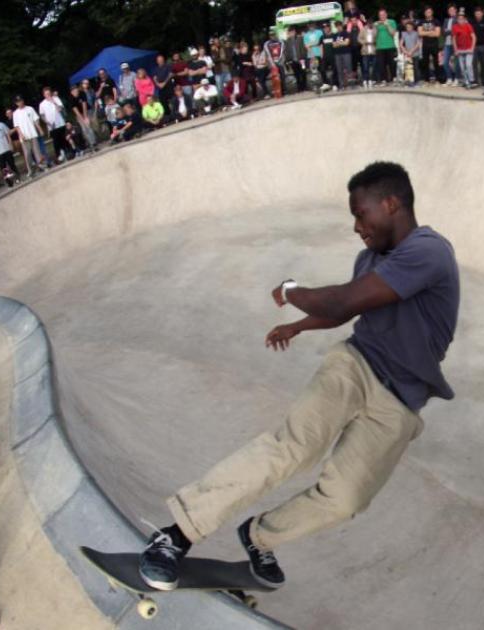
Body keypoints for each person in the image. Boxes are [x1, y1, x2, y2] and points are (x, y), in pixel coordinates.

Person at [135, 162, 459, 594]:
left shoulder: (429, 250)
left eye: (361, 214)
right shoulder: (371, 259)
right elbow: (354, 308)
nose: (357, 227)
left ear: (392, 203)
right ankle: (177, 534)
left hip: (402, 402)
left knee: (346, 499)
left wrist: (289, 290)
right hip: (356, 367)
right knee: (293, 448)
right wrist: (298, 326)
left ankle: (258, 536)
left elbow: (344, 301)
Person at [11, 96, 49, 176]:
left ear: (23, 101)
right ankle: (31, 170)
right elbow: (17, 126)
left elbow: (35, 121)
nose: (20, 103)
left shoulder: (30, 109)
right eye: (18, 102)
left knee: (37, 152)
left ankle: (42, 165)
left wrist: (40, 130)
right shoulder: (15, 113)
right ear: (16, 103)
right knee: (27, 154)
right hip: (24, 136)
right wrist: (21, 135)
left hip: (33, 133)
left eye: (21, 101)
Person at [451, 11, 476, 89]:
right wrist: (455, 50)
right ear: (457, 20)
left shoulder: (468, 26)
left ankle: (472, 80)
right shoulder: (455, 27)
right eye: (459, 19)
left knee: (468, 65)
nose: (460, 21)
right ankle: (466, 81)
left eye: (462, 19)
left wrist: (472, 48)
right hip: (460, 49)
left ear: (465, 19)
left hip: (469, 48)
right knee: (462, 67)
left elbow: (474, 37)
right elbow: (454, 39)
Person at [418, 7, 442, 84]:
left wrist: (425, 32)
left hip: (434, 44)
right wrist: (431, 32)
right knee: (425, 62)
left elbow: (437, 34)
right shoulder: (421, 22)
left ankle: (438, 79)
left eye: (429, 12)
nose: (428, 13)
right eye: (427, 12)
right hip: (425, 45)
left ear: (432, 12)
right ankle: (427, 80)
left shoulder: (436, 21)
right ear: (425, 13)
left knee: (436, 62)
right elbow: (420, 33)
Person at [375, 10, 399, 84]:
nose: (382, 16)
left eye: (383, 14)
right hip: (379, 47)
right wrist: (375, 27)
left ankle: (393, 78)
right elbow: (374, 36)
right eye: (380, 15)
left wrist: (387, 25)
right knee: (381, 64)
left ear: (386, 15)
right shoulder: (376, 24)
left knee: (392, 64)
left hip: (390, 46)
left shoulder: (391, 22)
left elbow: (393, 33)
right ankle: (384, 79)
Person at [470, 7, 484, 88]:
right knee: (474, 64)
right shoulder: (471, 22)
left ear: (482, 13)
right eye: (476, 13)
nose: (478, 14)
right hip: (474, 46)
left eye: (479, 13)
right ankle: (475, 81)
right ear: (475, 14)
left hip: (483, 46)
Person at [399, 20, 423, 86]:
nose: (408, 28)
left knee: (416, 68)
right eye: (407, 27)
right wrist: (405, 51)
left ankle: (417, 81)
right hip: (407, 54)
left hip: (415, 53)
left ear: (412, 27)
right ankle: (408, 81)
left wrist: (411, 51)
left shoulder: (416, 33)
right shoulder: (404, 33)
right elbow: (401, 44)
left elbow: (418, 44)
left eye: (409, 27)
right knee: (407, 68)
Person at [441, 5, 459, 85]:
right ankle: (449, 78)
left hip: (456, 44)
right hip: (447, 44)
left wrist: (448, 31)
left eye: (452, 10)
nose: (451, 11)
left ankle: (457, 78)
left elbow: (457, 31)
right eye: (450, 10)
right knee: (445, 62)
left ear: (456, 11)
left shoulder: (458, 19)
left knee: (456, 62)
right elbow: (443, 32)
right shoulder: (446, 20)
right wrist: (449, 31)